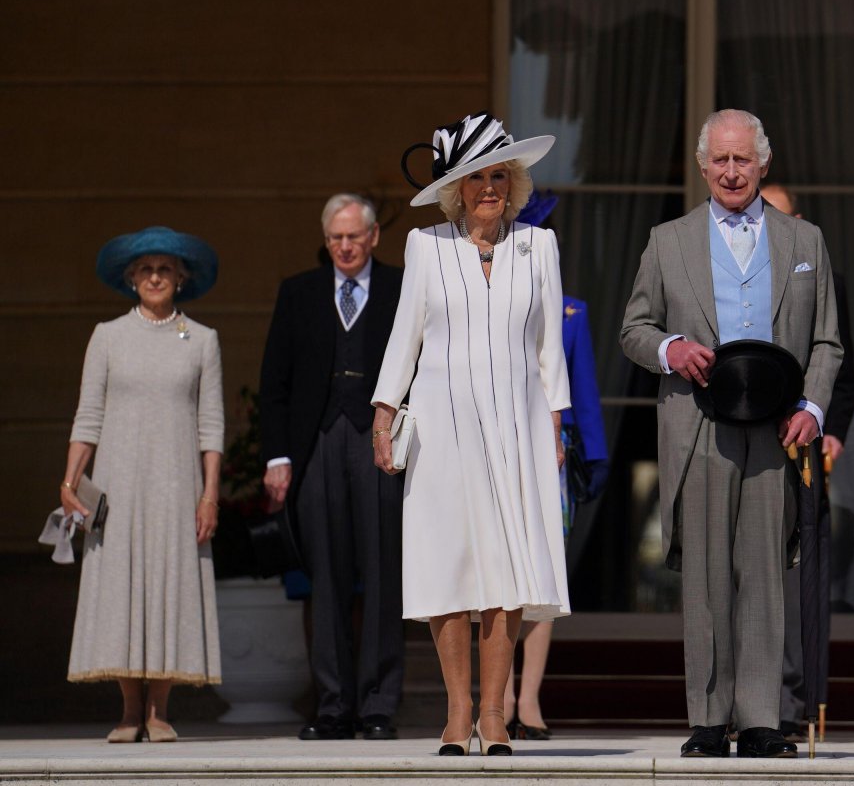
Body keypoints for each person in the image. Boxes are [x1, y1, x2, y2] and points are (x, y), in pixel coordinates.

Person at [620, 109, 842, 759]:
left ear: (763, 163)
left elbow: (828, 340)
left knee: (767, 574)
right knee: (708, 578)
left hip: (777, 429)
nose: (731, 171)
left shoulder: (805, 242)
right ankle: (709, 718)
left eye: (742, 159)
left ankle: (764, 719)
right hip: (700, 425)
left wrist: (815, 409)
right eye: (720, 159)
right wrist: (671, 349)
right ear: (702, 165)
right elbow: (633, 328)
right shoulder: (669, 240)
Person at [372, 113, 571, 757]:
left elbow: (548, 351)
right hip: (440, 426)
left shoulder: (538, 247)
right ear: (455, 190)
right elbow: (406, 334)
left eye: (498, 175)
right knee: (448, 564)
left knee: (509, 569)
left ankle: (494, 715)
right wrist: (384, 411)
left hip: (518, 428)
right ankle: (457, 711)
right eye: (476, 178)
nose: (489, 187)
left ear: (513, 183)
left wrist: (556, 426)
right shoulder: (427, 246)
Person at [60, 226, 224, 742]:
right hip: (119, 483)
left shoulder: (202, 340)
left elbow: (212, 425)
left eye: (166, 270)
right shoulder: (107, 336)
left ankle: (159, 711)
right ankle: (130, 712)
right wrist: (70, 480)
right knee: (121, 589)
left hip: (178, 485)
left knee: (170, 584)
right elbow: (88, 416)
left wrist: (210, 492)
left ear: (181, 279)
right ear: (132, 279)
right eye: (147, 270)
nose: (156, 277)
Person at [259, 193, 405, 741]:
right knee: (327, 579)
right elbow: (274, 383)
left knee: (382, 576)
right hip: (316, 445)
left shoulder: (400, 287)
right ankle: (332, 705)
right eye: (335, 238)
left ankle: (378, 706)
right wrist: (278, 456)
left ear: (372, 238)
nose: (344, 246)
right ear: (326, 241)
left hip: (380, 444)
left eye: (353, 236)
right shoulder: (298, 293)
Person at [505, 192, 610, 741]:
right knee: (499, 576)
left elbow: (584, 392)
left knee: (545, 579)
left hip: (553, 454)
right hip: (499, 449)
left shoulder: (573, 312)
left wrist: (594, 456)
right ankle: (496, 696)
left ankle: (528, 701)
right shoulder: (490, 300)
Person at [760, 182, 854, 739]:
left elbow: (847, 376)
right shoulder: (735, 284)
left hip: (803, 448)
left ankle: (794, 703)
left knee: (801, 582)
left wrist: (832, 432)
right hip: (746, 448)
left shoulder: (828, 283)